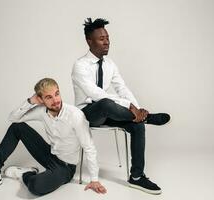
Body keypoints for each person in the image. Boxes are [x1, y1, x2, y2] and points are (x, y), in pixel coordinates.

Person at [71, 18, 171, 195]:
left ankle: (137, 177)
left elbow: (122, 88)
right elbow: (96, 94)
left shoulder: (110, 64)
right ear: (89, 41)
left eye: (108, 37)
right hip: (87, 114)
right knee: (106, 102)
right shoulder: (80, 66)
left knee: (137, 124)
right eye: (101, 38)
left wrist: (137, 110)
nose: (107, 41)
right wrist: (129, 106)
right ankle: (149, 118)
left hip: (111, 111)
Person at [0, 78, 106, 196]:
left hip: (65, 168)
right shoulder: (41, 111)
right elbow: (13, 118)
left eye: (57, 94)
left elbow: (89, 147)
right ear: (41, 99)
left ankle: (25, 174)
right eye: (49, 97)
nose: (56, 100)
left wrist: (94, 179)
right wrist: (29, 102)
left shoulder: (75, 115)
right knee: (17, 127)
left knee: (36, 187)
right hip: (50, 154)